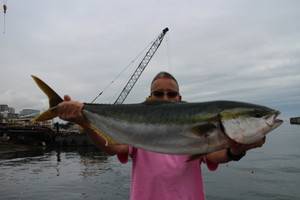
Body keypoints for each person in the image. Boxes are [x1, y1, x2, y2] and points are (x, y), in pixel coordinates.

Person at [57, 71, 265, 200]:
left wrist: (236, 150)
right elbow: (111, 148)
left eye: (171, 94)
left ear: (179, 97)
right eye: (158, 94)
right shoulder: (137, 128)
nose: (165, 97)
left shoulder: (208, 134)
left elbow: (213, 156)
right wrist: (84, 121)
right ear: (149, 98)